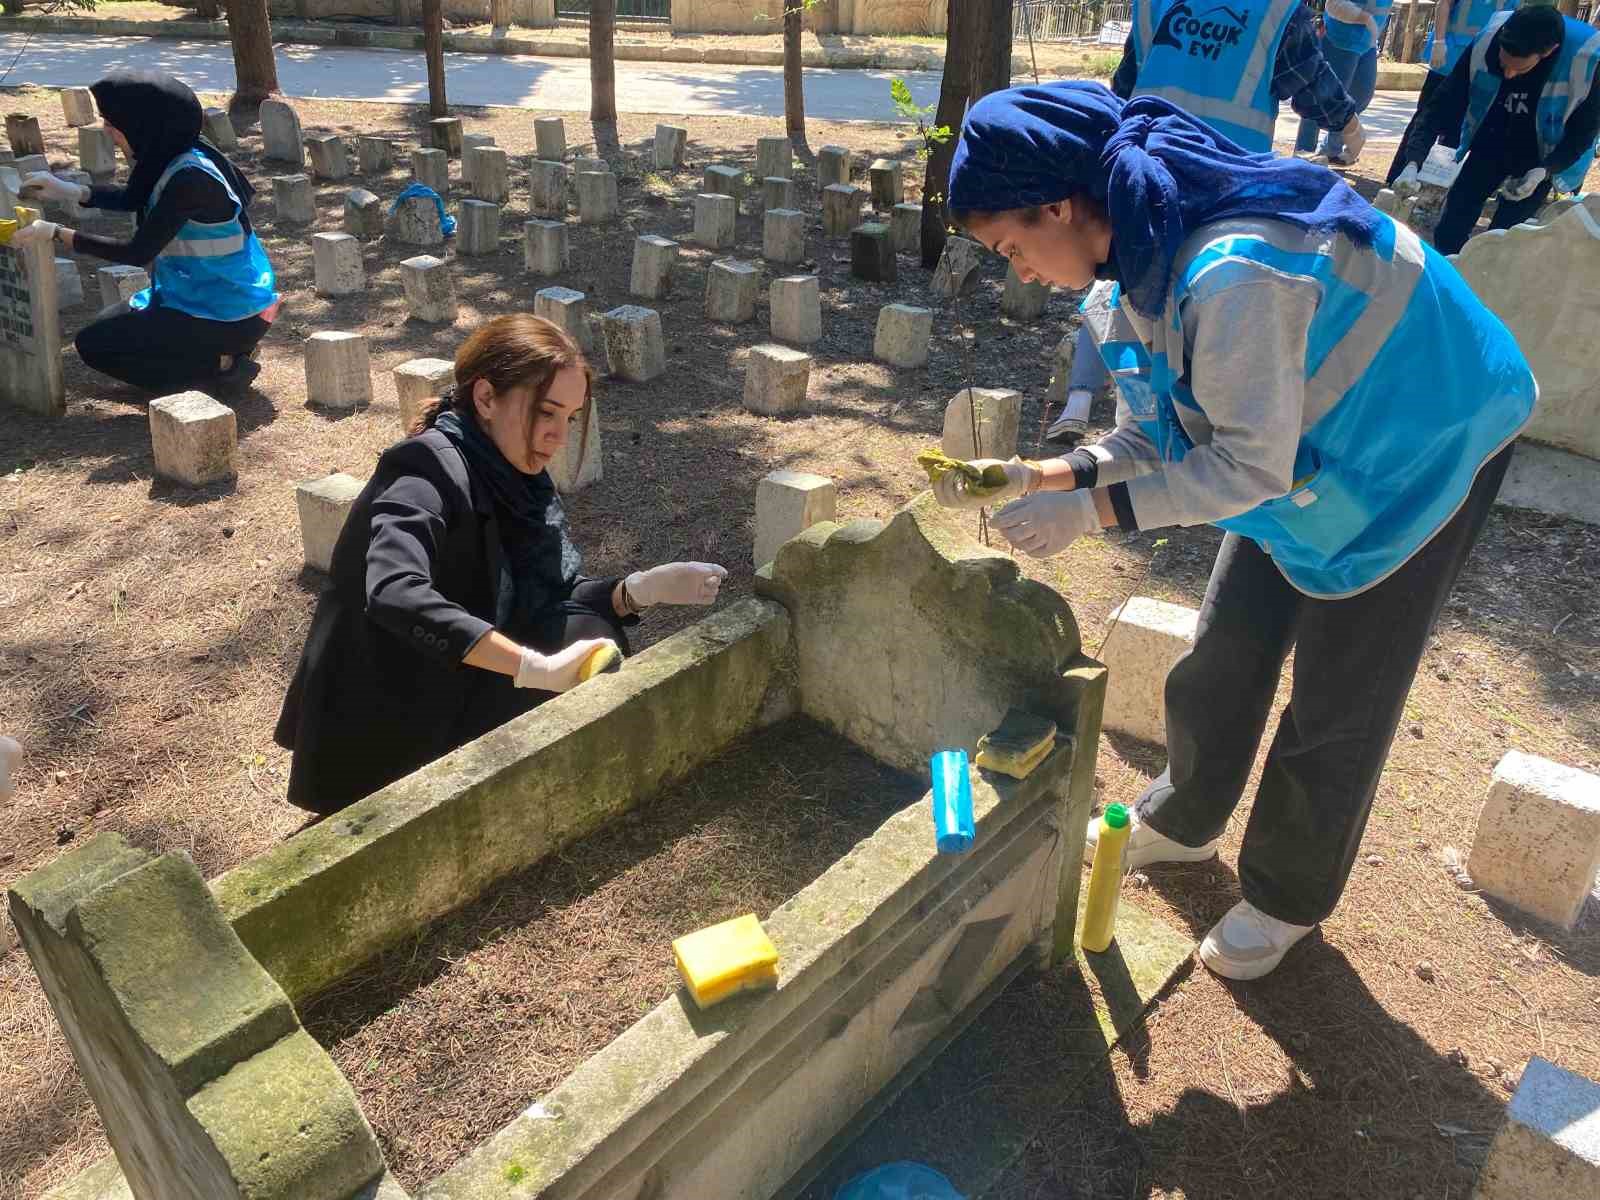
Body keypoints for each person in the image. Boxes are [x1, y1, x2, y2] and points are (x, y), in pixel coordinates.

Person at [935, 82, 1533, 981]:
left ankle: (1286, 895)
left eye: (1012, 247)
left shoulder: (1231, 271)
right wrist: (1043, 474)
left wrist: (1089, 514)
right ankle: (1187, 815)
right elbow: (1159, 429)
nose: (1017, 269)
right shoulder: (1130, 258)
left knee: (1342, 690)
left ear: (1058, 206)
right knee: (1229, 641)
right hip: (1300, 447)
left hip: (1422, 437)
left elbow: (1246, 467)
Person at [274, 315, 729, 816]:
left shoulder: (518, 479)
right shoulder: (423, 471)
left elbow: (544, 596)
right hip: (400, 696)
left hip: (460, 669)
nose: (557, 435)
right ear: (486, 398)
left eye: (570, 418)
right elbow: (394, 591)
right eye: (546, 412)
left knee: (587, 628)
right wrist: (529, 666)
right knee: (570, 646)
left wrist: (639, 590)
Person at [1047, 0, 1364, 445]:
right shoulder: (1274, 11)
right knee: (1203, 302)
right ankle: (1189, 429)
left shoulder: (1152, 5)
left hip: (1145, 167)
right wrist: (1348, 123)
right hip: (1225, 181)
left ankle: (1091, 406)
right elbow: (1309, 81)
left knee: (1126, 283)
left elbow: (1124, 85)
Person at [15, 70, 278, 396]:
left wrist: (55, 233)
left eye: (112, 124)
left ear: (143, 124)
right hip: (191, 294)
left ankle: (223, 366)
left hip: (228, 310)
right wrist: (67, 190)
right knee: (102, 330)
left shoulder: (191, 179)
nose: (107, 132)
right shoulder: (169, 152)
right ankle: (215, 353)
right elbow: (132, 197)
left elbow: (136, 253)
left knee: (95, 347)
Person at [1393, 6, 1600, 254]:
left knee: (1507, 235)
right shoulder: (1488, 39)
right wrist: (1413, 161)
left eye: (1520, 69)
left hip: (1542, 150)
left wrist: (1545, 171)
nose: (1509, 75)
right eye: (1503, 66)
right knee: (1454, 218)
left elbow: (1583, 134)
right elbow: (1441, 105)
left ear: (1548, 52)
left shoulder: (1586, 61)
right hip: (1492, 135)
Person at [1386, 0, 1522, 185]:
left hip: (1482, 64)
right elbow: (1445, 3)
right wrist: (1439, 41)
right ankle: (1399, 175)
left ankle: (1435, 185)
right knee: (1426, 118)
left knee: (1457, 129)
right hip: (1448, 58)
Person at [1295, 0, 1395, 166]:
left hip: (1367, 43)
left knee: (1361, 96)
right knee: (1319, 98)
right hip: (1339, 39)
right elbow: (1334, 4)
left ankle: (1331, 149)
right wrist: (1366, 19)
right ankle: (1304, 153)